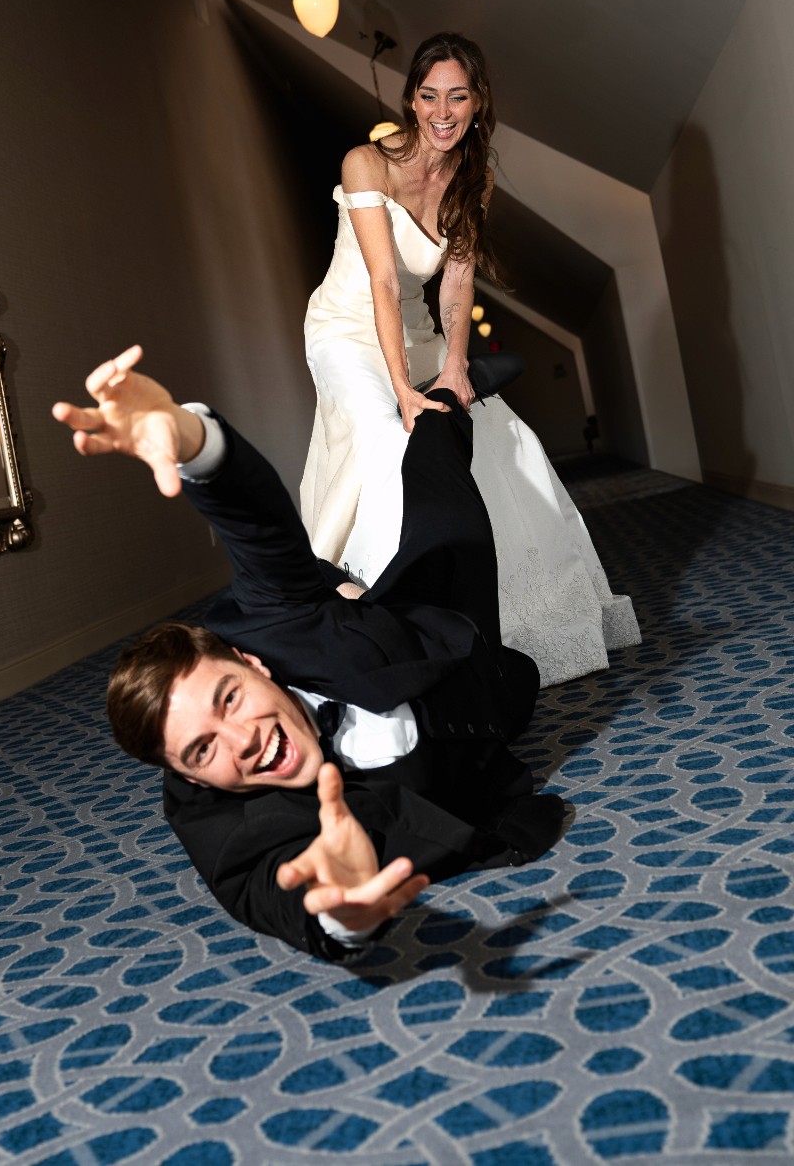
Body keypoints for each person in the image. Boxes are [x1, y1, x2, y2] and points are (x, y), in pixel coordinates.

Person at [53, 345, 568, 961]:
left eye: (229, 699)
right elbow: (266, 889)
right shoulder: (222, 822)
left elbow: (258, 529)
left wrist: (192, 442)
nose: (241, 739)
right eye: (202, 750)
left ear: (251, 664)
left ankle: (443, 403)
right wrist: (339, 914)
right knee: (520, 682)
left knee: (444, 509)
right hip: (477, 726)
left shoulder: (272, 629)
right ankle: (342, 593)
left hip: (421, 637)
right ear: (188, 777)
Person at [301, 31, 639, 687]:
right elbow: (381, 281)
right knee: (392, 440)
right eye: (429, 96)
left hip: (418, 327)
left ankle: (514, 621)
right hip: (345, 330)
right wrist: (404, 387)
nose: (442, 111)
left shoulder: (472, 177)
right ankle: (390, 627)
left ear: (478, 101)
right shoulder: (366, 164)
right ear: (411, 100)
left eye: (457, 96)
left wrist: (454, 367)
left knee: (498, 435)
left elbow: (456, 282)